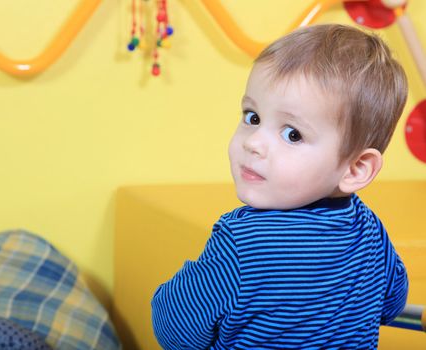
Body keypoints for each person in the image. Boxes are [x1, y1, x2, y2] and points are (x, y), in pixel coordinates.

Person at [151, 24, 409, 349]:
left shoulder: (241, 243)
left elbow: (176, 332)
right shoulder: (370, 231)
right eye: (252, 117)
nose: (254, 142)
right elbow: (392, 304)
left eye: (292, 134)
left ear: (355, 168)